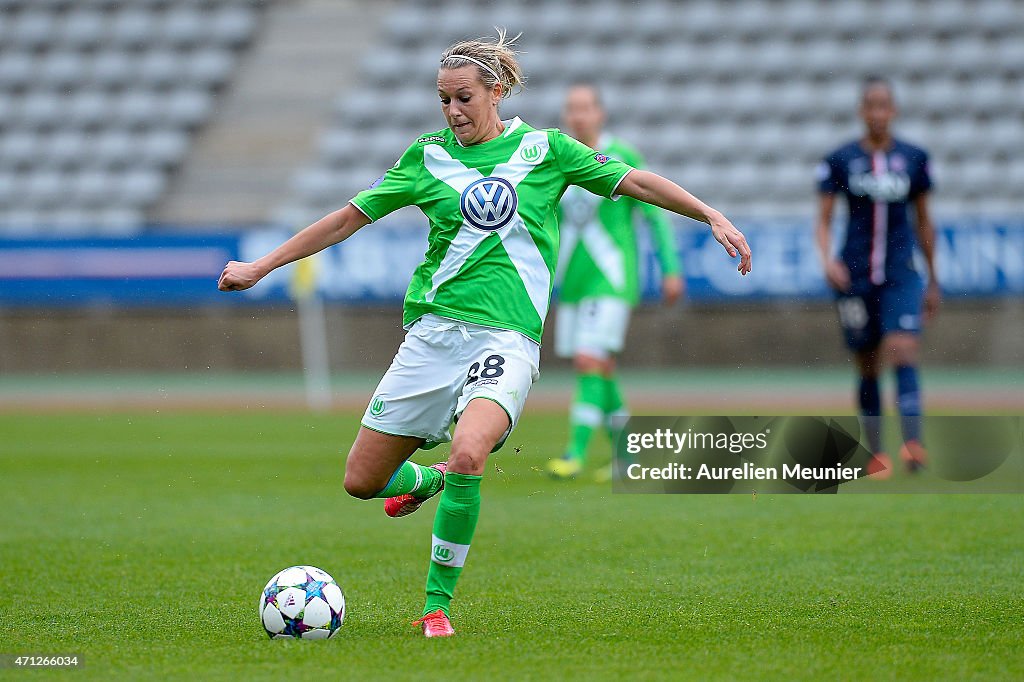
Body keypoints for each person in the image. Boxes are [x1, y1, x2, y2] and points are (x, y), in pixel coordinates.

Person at [219, 31, 751, 638]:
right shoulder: (426, 157)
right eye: (443, 99)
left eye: (464, 98)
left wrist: (710, 213)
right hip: (430, 338)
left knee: (470, 450)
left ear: (496, 91)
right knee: (361, 481)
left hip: (505, 341)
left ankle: (435, 606)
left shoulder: (546, 150)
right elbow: (347, 217)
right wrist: (264, 266)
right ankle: (433, 479)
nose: (453, 111)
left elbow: (637, 182)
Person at [546, 83, 684, 482]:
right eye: (571, 109)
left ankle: (574, 454)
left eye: (585, 108)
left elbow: (655, 214)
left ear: (600, 113)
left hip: (611, 279)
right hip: (573, 281)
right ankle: (629, 457)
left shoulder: (622, 155)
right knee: (599, 367)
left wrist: (669, 267)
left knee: (588, 360)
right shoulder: (559, 159)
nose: (578, 116)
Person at [815, 75, 938, 479]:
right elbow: (824, 218)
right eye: (871, 106)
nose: (878, 114)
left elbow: (923, 220)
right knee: (867, 362)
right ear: (862, 112)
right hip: (855, 275)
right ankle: (877, 452)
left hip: (902, 274)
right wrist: (827, 259)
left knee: (903, 349)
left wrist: (933, 278)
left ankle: (913, 443)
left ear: (894, 110)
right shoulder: (841, 159)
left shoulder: (915, 158)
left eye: (884, 106)